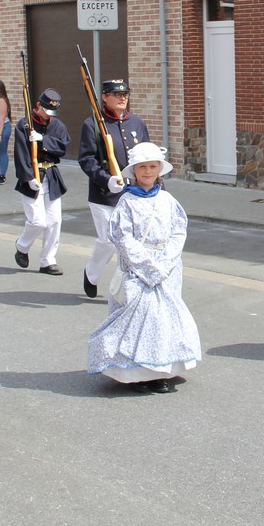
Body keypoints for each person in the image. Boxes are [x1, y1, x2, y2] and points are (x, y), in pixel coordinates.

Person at [87, 142, 200, 393]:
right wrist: (147, 267)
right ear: (134, 171)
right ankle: (136, 373)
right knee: (138, 320)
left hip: (167, 268)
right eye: (142, 167)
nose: (147, 171)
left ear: (159, 169)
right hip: (138, 270)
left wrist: (167, 261)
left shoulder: (168, 200)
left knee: (162, 320)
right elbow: (122, 238)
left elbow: (178, 231)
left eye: (152, 166)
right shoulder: (126, 202)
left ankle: (160, 371)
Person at [78, 79, 150, 299]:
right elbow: (87, 159)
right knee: (109, 241)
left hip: (133, 193)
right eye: (117, 94)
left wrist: (155, 186)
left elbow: (147, 157)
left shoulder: (136, 122)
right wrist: (105, 179)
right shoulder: (92, 124)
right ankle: (91, 273)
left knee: (129, 245)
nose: (122, 98)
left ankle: (126, 290)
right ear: (104, 97)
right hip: (105, 195)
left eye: (125, 94)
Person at [13, 88, 70, 276]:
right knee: (37, 221)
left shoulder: (58, 126)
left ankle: (48, 260)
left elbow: (63, 147)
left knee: (54, 221)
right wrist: (28, 177)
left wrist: (43, 140)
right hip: (33, 175)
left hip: (51, 175)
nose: (48, 115)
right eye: (46, 110)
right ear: (38, 105)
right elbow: (20, 154)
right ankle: (22, 246)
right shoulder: (24, 124)